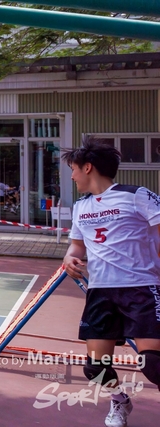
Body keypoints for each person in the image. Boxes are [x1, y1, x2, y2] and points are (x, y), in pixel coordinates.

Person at [62, 136, 160, 427]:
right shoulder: (81, 207)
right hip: (101, 292)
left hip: (141, 288)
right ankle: (119, 401)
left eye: (74, 169)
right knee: (95, 368)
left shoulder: (137, 195)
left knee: (154, 363)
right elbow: (76, 247)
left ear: (88, 167)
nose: (72, 176)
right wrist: (70, 259)